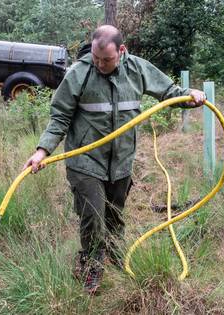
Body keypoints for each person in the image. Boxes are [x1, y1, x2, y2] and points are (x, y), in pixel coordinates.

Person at [23, 25, 205, 294]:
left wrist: (191, 96)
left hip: (121, 161)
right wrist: (42, 151)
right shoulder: (79, 73)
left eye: (106, 59)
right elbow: (59, 117)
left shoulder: (138, 70)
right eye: (96, 58)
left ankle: (117, 255)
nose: (99, 64)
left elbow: (169, 92)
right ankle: (91, 268)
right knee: (92, 217)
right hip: (85, 160)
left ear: (122, 51)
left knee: (114, 216)